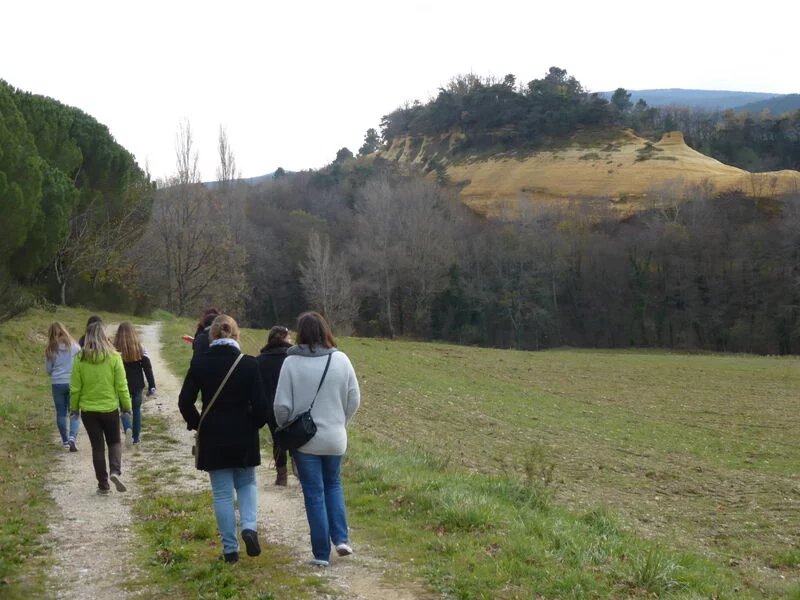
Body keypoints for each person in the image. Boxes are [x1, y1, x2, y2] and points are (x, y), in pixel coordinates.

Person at [178, 315, 268, 563]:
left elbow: (185, 401)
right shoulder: (249, 364)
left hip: (213, 434)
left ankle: (230, 550)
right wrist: (255, 423)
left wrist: (199, 424)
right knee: (247, 483)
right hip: (244, 433)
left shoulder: (199, 364)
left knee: (222, 494)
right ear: (236, 335)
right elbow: (261, 405)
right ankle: (249, 527)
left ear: (211, 336)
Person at [274, 311, 360, 567]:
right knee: (333, 485)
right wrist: (340, 422)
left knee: (314, 494)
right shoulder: (341, 360)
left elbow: (281, 407)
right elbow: (354, 399)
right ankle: (342, 539)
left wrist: (287, 426)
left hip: (305, 441)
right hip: (335, 438)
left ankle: (321, 554)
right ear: (325, 331)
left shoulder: (290, 363)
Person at [69, 321, 132, 495]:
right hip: (110, 409)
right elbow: (122, 385)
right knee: (114, 442)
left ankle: (103, 485)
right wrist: (126, 406)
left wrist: (73, 409)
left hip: (89, 412)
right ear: (104, 336)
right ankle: (114, 471)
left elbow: (75, 388)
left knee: (97, 447)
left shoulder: (80, 359)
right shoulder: (114, 357)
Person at [256, 325, 294, 485]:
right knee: (297, 440)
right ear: (282, 339)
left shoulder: (260, 360)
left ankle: (281, 476)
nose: (291, 340)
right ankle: (300, 473)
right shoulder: (292, 359)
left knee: (278, 441)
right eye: (289, 337)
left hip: (270, 407)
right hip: (293, 407)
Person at [113, 322, 156, 446]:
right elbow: (147, 367)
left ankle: (127, 428)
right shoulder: (140, 348)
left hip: (121, 385)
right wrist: (152, 385)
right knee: (137, 410)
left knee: (124, 409)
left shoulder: (114, 349)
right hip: (137, 384)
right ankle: (136, 438)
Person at [45, 322, 81, 451]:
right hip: (72, 382)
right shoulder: (74, 346)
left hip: (57, 383)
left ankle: (65, 441)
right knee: (74, 411)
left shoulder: (50, 349)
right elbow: (81, 359)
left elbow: (48, 370)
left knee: (61, 413)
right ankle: (72, 437)